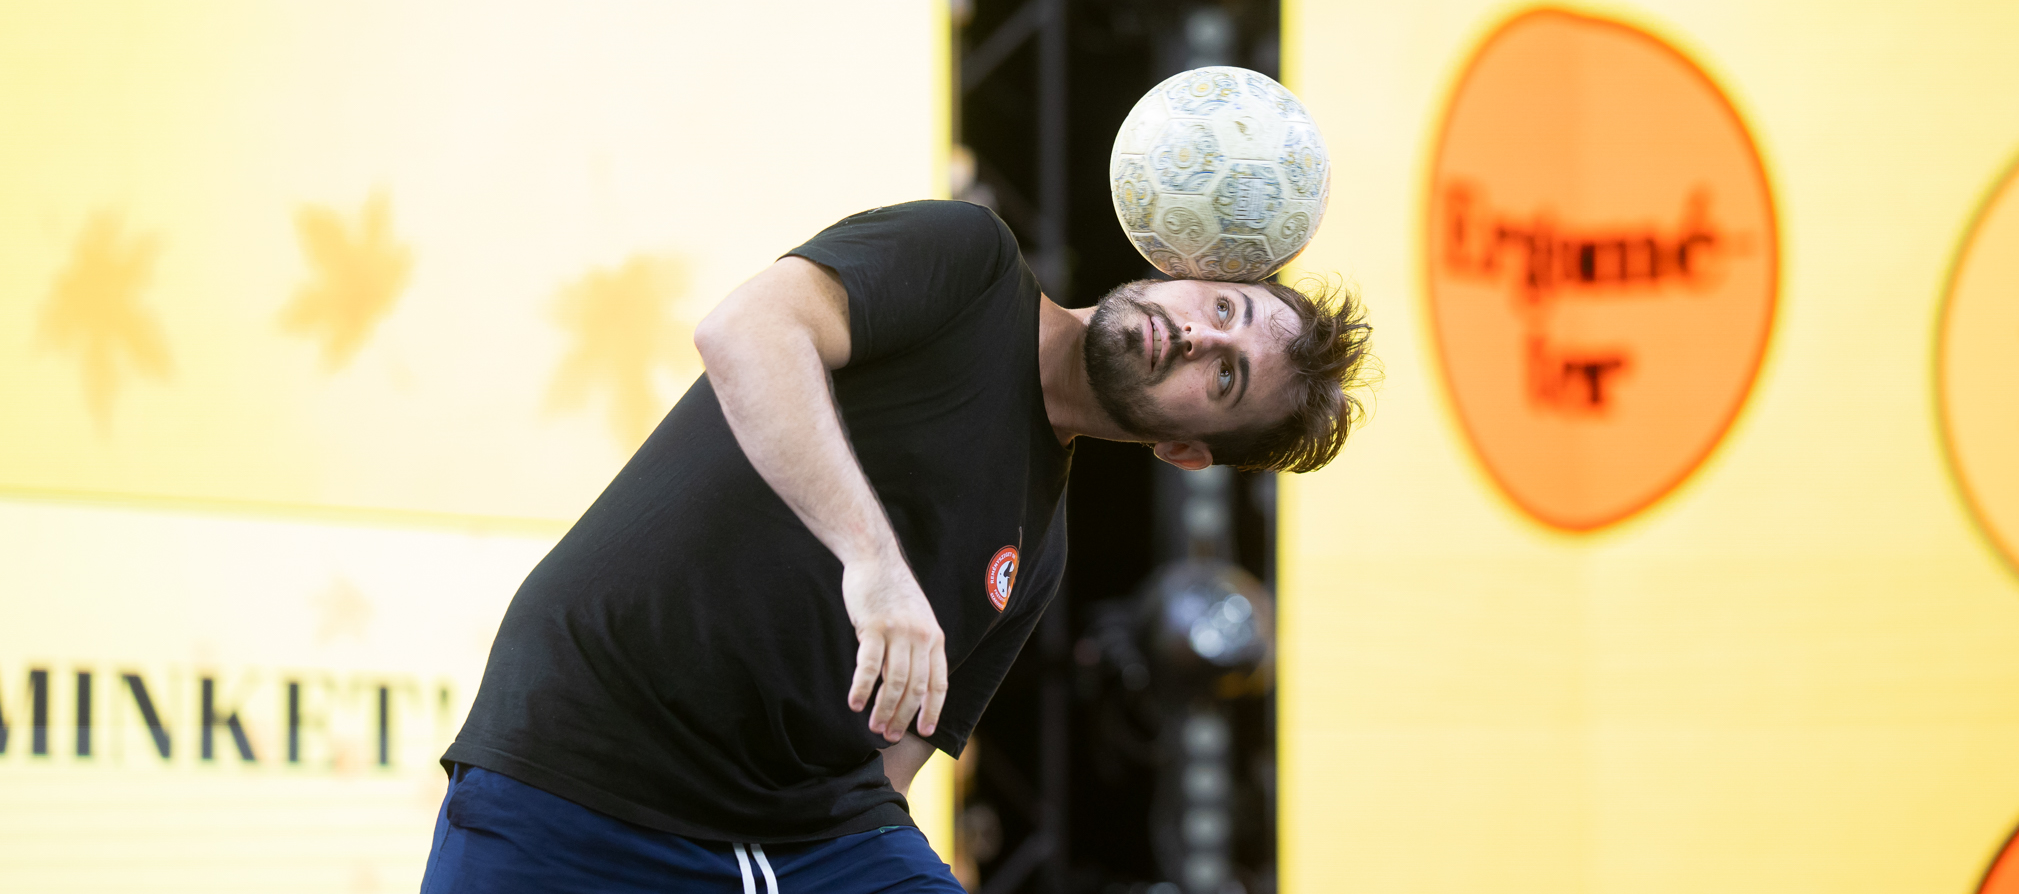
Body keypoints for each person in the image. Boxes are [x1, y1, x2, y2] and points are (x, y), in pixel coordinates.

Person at [421, 200, 1372, 893]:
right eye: (1225, 309)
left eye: (1225, 377)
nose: (1196, 336)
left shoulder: (1036, 558)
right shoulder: (971, 265)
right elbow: (747, 327)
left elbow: (891, 771)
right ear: (1188, 270)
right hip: (578, 760)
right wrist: (872, 564)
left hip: (798, 838)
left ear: (1185, 452)